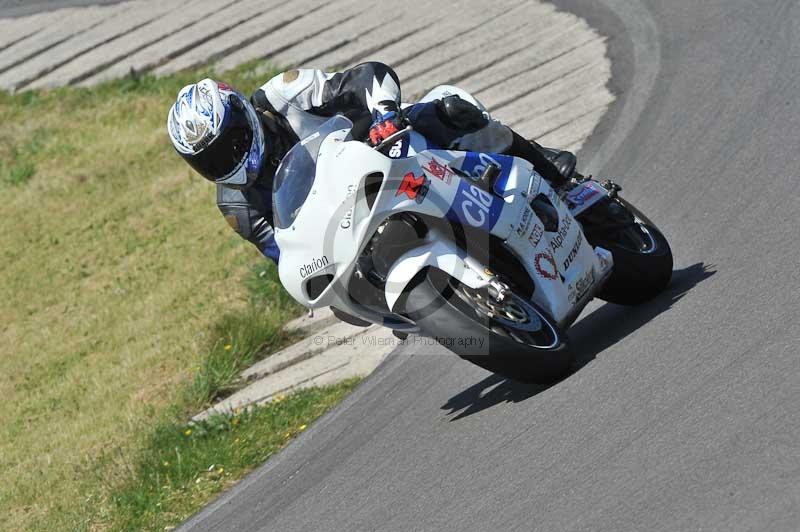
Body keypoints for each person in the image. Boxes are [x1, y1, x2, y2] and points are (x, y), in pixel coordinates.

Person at [167, 62, 578, 264]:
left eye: (231, 143)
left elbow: (367, 76)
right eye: (212, 160)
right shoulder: (236, 205)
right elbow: (286, 257)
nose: (230, 159)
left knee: (450, 110)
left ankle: (546, 170)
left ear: (244, 113)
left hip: (391, 151)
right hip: (355, 229)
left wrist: (384, 114)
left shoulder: (282, 95)